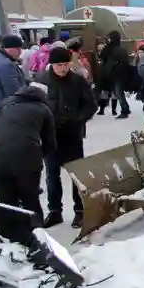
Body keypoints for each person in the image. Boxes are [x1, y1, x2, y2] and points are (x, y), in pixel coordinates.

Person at [35, 47, 97, 228]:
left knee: (77, 175)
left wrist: (78, 120)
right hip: (50, 136)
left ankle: (80, 211)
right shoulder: (41, 81)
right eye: (58, 64)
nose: (62, 68)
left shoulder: (78, 81)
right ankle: (55, 211)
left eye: (65, 64)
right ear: (51, 65)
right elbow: (34, 105)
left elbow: (90, 105)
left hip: (72, 135)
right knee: (52, 176)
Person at [0, 82, 55, 242]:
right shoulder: (43, 109)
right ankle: (39, 240)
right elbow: (50, 143)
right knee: (30, 199)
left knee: (6, 200)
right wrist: (38, 157)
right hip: (26, 155)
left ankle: (11, 239)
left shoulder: (5, 104)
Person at [0, 35, 26, 197]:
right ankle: (12, 185)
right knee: (5, 152)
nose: (21, 53)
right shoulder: (6, 65)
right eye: (19, 49)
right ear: (12, 49)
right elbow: (15, 93)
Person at [99, 31, 132, 119]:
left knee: (118, 93)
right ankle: (125, 108)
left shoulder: (109, 49)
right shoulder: (122, 49)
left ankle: (125, 110)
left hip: (114, 74)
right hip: (119, 74)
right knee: (118, 93)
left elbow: (102, 57)